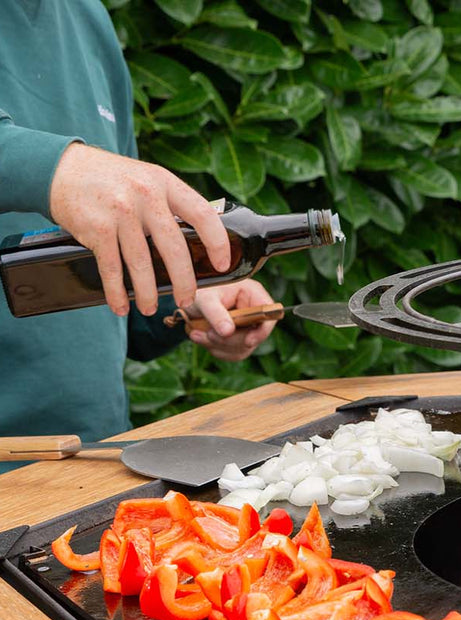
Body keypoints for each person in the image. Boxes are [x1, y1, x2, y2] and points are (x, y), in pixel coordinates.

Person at [0, 0, 277, 455]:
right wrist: (55, 167)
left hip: (93, 462)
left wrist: (183, 294)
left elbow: (109, 289)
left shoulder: (87, 17)